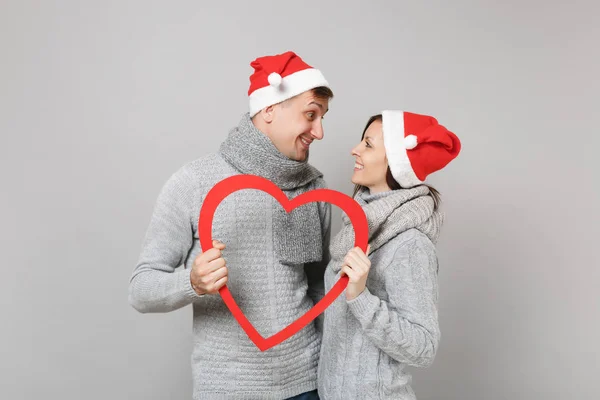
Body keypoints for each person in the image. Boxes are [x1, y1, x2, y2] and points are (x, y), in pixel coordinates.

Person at [129, 51, 333, 400]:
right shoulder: (194, 181)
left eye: (322, 118)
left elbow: (319, 287)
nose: (320, 132)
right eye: (310, 115)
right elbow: (141, 289)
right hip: (229, 390)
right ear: (270, 109)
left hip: (308, 385)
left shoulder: (314, 188)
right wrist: (191, 282)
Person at [317, 110, 461, 399]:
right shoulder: (358, 227)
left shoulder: (409, 244)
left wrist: (360, 297)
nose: (355, 149)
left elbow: (423, 348)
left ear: (395, 161)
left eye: (368, 145)